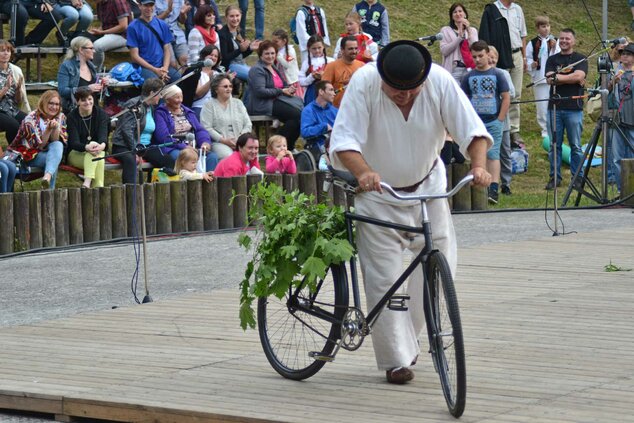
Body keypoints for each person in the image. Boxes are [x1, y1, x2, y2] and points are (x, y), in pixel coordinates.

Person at [329, 40, 492, 384]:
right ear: (382, 78)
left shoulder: (439, 82)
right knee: (384, 278)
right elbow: (344, 141)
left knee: (437, 266)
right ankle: (395, 359)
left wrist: (478, 167)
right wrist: (363, 172)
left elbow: (472, 129)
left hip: (428, 187)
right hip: (378, 193)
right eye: (396, 91)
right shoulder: (364, 82)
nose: (404, 97)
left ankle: (415, 338)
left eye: (411, 91)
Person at [461, 41, 510, 204]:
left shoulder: (498, 74)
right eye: (474, 57)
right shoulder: (468, 77)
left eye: (481, 56)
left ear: (488, 54)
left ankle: (494, 188)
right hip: (476, 122)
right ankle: (479, 186)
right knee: (476, 152)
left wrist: (500, 119)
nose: (478, 59)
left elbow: (506, 97)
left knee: (493, 153)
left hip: (493, 120)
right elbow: (464, 99)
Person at [544, 28, 587, 190]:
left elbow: (579, 76)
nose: (563, 41)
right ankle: (555, 177)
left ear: (573, 41)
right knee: (555, 145)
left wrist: (559, 78)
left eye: (567, 39)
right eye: (561, 38)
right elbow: (549, 79)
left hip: (574, 109)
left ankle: (577, 177)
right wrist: (570, 78)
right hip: (554, 108)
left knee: (575, 145)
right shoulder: (552, 59)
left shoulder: (580, 58)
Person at [111, 78, 176, 184]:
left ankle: (153, 189)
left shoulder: (151, 107)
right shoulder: (134, 104)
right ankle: (130, 193)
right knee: (131, 160)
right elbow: (126, 129)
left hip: (144, 146)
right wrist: (135, 149)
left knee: (167, 160)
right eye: (160, 94)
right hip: (124, 146)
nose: (161, 97)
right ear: (152, 93)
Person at [485, 0, 527, 147]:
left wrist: (524, 56)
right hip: (500, 54)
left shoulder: (518, 9)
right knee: (502, 93)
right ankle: (500, 125)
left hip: (517, 54)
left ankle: (514, 129)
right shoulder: (493, 9)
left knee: (516, 93)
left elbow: (523, 34)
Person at [246, 40, 302, 150]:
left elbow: (283, 84)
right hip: (263, 104)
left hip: (277, 100)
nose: (270, 56)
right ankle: (278, 144)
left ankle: (286, 145)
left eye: (272, 53)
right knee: (296, 115)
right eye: (267, 53)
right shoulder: (257, 70)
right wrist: (281, 91)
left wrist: (289, 88)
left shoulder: (273, 67)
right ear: (260, 55)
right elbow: (260, 91)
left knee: (298, 116)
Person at [8, 90, 67, 189]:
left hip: (49, 154)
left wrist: (55, 128)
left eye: (57, 104)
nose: (54, 107)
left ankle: (47, 177)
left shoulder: (60, 117)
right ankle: (49, 192)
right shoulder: (31, 119)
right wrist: (48, 129)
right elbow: (38, 146)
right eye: (51, 103)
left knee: (58, 145)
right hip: (28, 155)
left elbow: (55, 141)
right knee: (53, 160)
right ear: (44, 102)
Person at [153, 85, 219, 171]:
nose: (180, 100)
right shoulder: (160, 113)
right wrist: (184, 146)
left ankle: (208, 182)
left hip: (193, 147)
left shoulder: (188, 112)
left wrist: (205, 142)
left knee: (212, 157)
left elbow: (199, 130)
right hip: (174, 147)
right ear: (167, 99)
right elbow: (163, 137)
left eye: (181, 96)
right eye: (176, 97)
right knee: (184, 157)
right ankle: (186, 182)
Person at [126, 0, 181, 82]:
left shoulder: (162, 24)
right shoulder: (132, 27)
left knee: (179, 78)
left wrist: (165, 69)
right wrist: (155, 70)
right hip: (143, 68)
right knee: (155, 83)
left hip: (162, 66)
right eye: (146, 5)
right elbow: (134, 57)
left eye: (151, 5)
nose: (149, 8)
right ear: (139, 6)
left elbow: (167, 50)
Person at [200, 73, 252, 160]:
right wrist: (224, 140)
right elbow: (207, 127)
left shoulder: (238, 103)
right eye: (225, 86)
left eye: (230, 86)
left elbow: (248, 124)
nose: (229, 89)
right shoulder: (209, 105)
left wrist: (240, 139)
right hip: (219, 143)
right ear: (216, 89)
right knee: (229, 157)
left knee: (251, 154)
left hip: (240, 141)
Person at [66, 87, 109, 188]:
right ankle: (97, 187)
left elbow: (103, 136)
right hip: (76, 153)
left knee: (98, 155)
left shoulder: (101, 114)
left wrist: (101, 146)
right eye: (83, 100)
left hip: (97, 151)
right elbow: (74, 143)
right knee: (98, 157)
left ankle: (87, 183)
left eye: (90, 99)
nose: (87, 102)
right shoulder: (72, 117)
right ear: (77, 102)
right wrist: (87, 147)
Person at [526, 15, 560, 141]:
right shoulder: (533, 43)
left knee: (555, 102)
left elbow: (560, 57)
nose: (546, 29)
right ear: (537, 28)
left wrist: (553, 47)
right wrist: (532, 65)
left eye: (547, 26)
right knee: (542, 104)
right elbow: (528, 58)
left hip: (554, 78)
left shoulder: (555, 41)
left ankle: (556, 126)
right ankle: (545, 128)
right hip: (540, 78)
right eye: (543, 26)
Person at [489, 46, 515, 196]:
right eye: (490, 56)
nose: (492, 60)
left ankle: (506, 183)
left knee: (505, 151)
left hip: (502, 120)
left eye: (494, 57)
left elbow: (511, 93)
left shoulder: (503, 73)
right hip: (486, 120)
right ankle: (490, 182)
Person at [608, 42, 634, 192]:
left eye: (628, 54)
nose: (624, 56)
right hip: (616, 120)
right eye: (623, 53)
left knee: (632, 156)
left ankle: (632, 191)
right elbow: (602, 91)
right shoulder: (614, 71)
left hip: (632, 119)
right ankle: (621, 190)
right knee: (616, 157)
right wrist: (613, 82)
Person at [57, 37, 105, 113]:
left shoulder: (91, 66)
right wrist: (86, 89)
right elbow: (62, 91)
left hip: (93, 111)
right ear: (81, 50)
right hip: (75, 112)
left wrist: (102, 85)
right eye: (91, 48)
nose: (94, 51)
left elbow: (97, 94)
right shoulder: (66, 66)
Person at [218, 5, 260, 82]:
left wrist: (250, 48)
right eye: (232, 16)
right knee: (256, 78)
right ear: (226, 17)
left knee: (261, 76)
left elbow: (240, 56)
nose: (235, 19)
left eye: (237, 16)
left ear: (241, 16)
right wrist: (240, 50)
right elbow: (224, 58)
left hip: (241, 64)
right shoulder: (222, 34)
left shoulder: (239, 32)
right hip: (230, 67)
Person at [0, 40, 30, 146]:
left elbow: (19, 101)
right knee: (13, 125)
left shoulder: (16, 70)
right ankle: (14, 151)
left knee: (30, 122)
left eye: (8, 51)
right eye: (2, 51)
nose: (6, 53)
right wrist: (5, 88)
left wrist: (17, 90)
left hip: (12, 108)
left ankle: (26, 150)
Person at [89, 0, 132, 72]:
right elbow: (105, 23)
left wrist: (102, 32)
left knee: (97, 46)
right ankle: (83, 70)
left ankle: (95, 72)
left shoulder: (118, 2)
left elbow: (123, 26)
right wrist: (97, 31)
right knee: (82, 41)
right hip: (108, 33)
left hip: (123, 35)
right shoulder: (100, 3)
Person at [322, 36, 364, 108]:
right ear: (342, 49)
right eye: (350, 49)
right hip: (337, 110)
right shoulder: (332, 66)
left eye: (356, 48)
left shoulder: (362, 66)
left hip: (357, 108)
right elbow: (323, 89)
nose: (354, 51)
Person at [440, 2, 478, 82]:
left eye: (460, 11)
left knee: (467, 94)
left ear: (465, 14)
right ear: (452, 16)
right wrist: (459, 38)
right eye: (455, 12)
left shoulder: (473, 30)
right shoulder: (445, 30)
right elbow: (444, 51)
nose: (458, 14)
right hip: (454, 68)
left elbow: (476, 48)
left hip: (469, 68)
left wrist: (468, 30)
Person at [300, 79, 337, 159]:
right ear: (321, 92)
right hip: (318, 148)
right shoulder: (308, 110)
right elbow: (304, 132)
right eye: (331, 90)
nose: (334, 94)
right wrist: (324, 127)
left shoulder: (335, 111)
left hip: (337, 145)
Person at [299, 35, 333, 106]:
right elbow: (301, 82)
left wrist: (325, 75)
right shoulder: (306, 63)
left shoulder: (331, 61)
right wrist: (312, 76)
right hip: (312, 94)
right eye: (314, 48)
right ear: (309, 49)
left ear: (323, 46)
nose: (317, 51)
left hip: (328, 93)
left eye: (319, 48)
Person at [272, 29, 304, 99]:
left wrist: (277, 56)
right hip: (282, 82)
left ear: (284, 41)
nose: (274, 43)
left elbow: (287, 65)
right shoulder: (278, 51)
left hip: (291, 81)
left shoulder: (290, 51)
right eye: (273, 41)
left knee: (295, 100)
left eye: (276, 41)